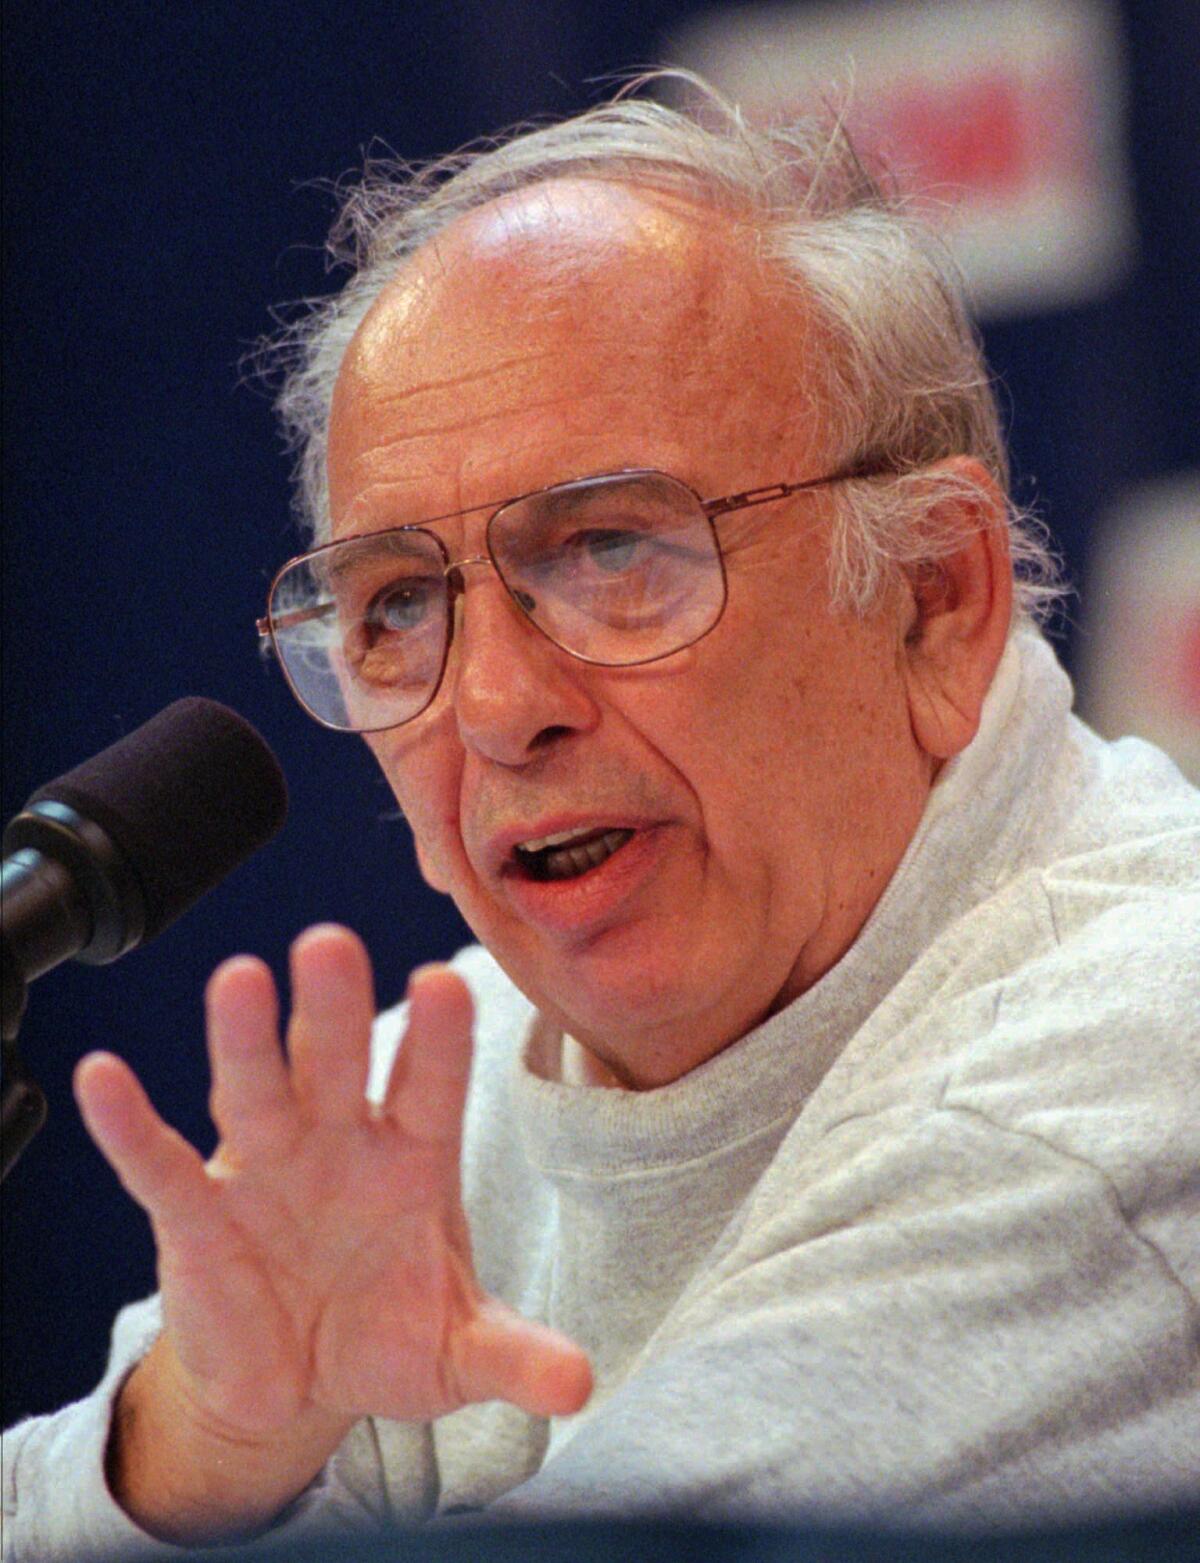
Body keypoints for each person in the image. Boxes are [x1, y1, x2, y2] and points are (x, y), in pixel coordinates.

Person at [3, 75, 1198, 1559]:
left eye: (612, 548)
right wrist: (188, 1451)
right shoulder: (421, 1104)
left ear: (933, 597)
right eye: (395, 606)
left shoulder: (1138, 1057)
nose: (499, 708)